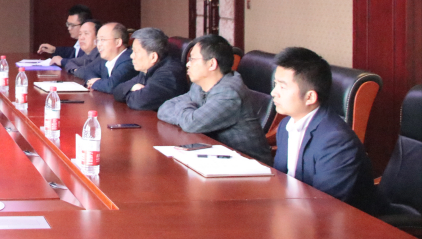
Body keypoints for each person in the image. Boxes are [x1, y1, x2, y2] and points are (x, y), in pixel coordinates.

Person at [271, 47, 380, 213]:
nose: (273, 93)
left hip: (342, 222)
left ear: (310, 97)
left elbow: (326, 207)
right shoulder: (286, 125)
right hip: (295, 212)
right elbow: (281, 181)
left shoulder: (336, 141)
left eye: (282, 87)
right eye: (275, 84)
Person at [157, 35, 272, 164]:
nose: (187, 64)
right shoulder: (200, 85)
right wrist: (188, 112)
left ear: (212, 64)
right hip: (217, 156)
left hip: (249, 164)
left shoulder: (229, 93)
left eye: (192, 59)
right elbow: (164, 108)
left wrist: (184, 107)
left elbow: (191, 124)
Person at [112, 28, 188, 111]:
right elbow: (117, 90)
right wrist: (133, 87)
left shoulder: (169, 74)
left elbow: (139, 102)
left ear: (153, 57)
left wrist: (128, 92)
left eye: (136, 52)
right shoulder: (148, 68)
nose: (131, 56)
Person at [79, 22, 137, 93]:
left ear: (118, 42)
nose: (99, 44)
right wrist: (93, 80)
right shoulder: (105, 59)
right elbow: (87, 70)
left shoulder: (129, 60)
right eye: (98, 40)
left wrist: (96, 83)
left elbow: (112, 86)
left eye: (103, 40)